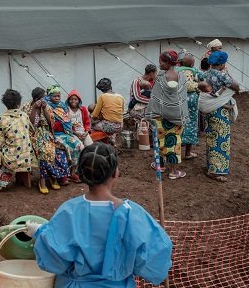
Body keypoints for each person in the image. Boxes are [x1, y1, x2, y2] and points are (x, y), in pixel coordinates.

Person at [26, 143, 173, 288]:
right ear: (115, 173)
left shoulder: (68, 211)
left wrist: (40, 232)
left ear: (82, 173)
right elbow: (156, 258)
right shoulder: (131, 214)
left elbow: (53, 258)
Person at [145, 50, 189, 180]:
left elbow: (155, 97)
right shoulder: (181, 76)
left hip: (160, 115)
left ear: (168, 62)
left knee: (160, 140)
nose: (159, 64)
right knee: (174, 142)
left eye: (161, 62)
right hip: (176, 116)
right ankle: (173, 171)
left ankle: (162, 166)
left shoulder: (160, 77)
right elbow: (181, 96)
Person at [200, 51, 240, 183]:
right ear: (222, 63)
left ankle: (210, 166)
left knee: (211, 138)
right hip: (219, 111)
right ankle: (216, 171)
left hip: (210, 110)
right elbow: (236, 87)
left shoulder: (205, 74)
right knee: (221, 139)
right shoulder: (222, 75)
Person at [0, 89, 34, 192]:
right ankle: (23, 178)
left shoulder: (2, 119)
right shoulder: (24, 115)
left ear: (5, 104)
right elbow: (31, 131)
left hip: (12, 158)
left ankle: (2, 181)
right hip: (26, 155)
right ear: (19, 103)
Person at [23, 87, 69, 194]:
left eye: (45, 97)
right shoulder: (27, 106)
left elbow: (51, 123)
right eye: (42, 98)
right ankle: (42, 181)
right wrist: (35, 108)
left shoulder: (46, 106)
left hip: (46, 133)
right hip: (33, 135)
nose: (45, 100)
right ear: (36, 98)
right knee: (44, 152)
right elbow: (32, 125)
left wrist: (44, 109)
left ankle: (54, 177)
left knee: (58, 150)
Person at [45, 85, 84, 184]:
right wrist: (58, 124)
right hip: (54, 135)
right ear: (49, 96)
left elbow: (67, 121)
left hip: (65, 133)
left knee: (78, 145)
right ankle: (63, 175)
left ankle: (72, 172)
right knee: (65, 148)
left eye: (58, 96)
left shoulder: (62, 106)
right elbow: (48, 123)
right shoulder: (46, 107)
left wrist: (67, 126)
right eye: (54, 96)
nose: (57, 98)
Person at [176, 53, 203, 160]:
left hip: (178, 101)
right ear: (192, 63)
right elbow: (191, 85)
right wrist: (198, 87)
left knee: (178, 125)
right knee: (191, 125)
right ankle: (187, 153)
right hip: (191, 102)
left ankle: (176, 153)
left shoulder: (176, 70)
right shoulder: (194, 71)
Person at [89, 78, 124, 142]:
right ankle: (112, 137)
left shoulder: (103, 96)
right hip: (120, 126)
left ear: (102, 89)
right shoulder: (120, 97)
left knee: (92, 124)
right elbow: (121, 112)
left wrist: (89, 121)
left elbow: (95, 115)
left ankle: (106, 139)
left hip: (110, 127)